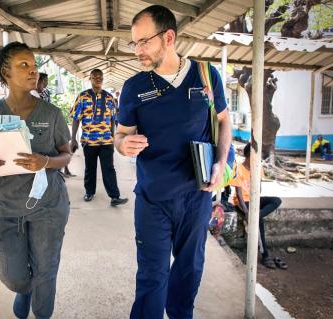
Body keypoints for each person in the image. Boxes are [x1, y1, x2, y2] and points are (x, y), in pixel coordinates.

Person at [114, 5, 232, 319]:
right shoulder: (134, 87)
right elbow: (120, 134)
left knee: (188, 272)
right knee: (152, 276)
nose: (137, 50)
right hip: (153, 198)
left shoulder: (205, 76)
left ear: (169, 37)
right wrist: (124, 144)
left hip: (197, 195)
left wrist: (221, 163)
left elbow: (223, 122)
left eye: (144, 42)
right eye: (134, 43)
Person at [0, 42, 72, 319]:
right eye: (24, 65)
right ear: (5, 72)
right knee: (15, 275)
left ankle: (42, 314)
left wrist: (47, 162)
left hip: (48, 206)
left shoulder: (51, 114)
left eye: (34, 65)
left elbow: (66, 156)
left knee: (46, 269)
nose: (33, 71)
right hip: (6, 207)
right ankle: (23, 289)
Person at [70, 69, 128, 206]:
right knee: (90, 168)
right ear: (90, 79)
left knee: (109, 168)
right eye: (95, 76)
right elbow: (76, 118)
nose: (98, 79)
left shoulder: (109, 98)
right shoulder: (82, 96)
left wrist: (114, 138)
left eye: (100, 77)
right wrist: (73, 138)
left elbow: (113, 120)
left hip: (106, 141)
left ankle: (115, 197)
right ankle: (89, 192)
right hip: (89, 141)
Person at [230, 143, 287, 270]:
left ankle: (255, 216)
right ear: (246, 155)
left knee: (276, 200)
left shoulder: (258, 168)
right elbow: (238, 194)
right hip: (242, 202)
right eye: (253, 156)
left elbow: (258, 189)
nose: (257, 160)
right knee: (259, 221)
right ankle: (265, 255)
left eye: (258, 157)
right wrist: (246, 211)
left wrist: (254, 211)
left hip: (254, 199)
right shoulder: (238, 169)